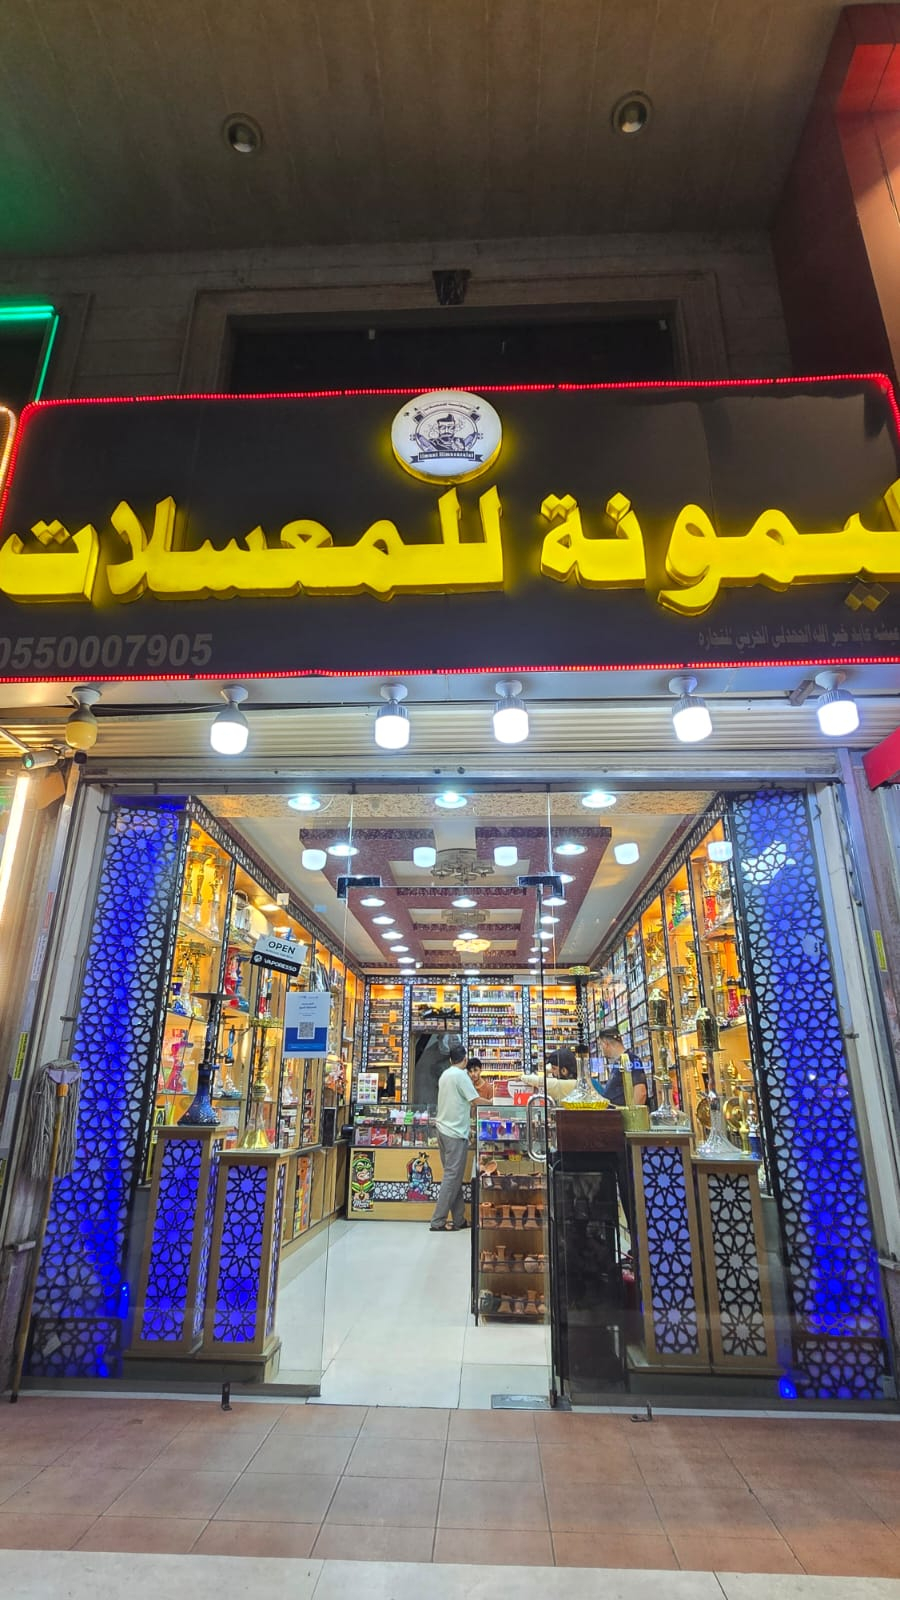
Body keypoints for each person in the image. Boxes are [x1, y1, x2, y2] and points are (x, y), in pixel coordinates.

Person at [429, 1042, 489, 1232]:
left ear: (450, 1060)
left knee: (453, 1176)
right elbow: (475, 1100)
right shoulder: (461, 1076)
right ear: (465, 1059)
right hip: (455, 1133)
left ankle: (459, 1219)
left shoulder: (445, 1074)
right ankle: (437, 1221)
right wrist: (495, 1102)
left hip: (442, 1130)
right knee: (451, 1177)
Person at [595, 1028, 648, 1107]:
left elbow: (641, 1092)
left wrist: (632, 1113)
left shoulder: (630, 1059)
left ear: (605, 1044)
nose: (600, 1049)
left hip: (623, 1114)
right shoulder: (618, 1063)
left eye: (600, 1045)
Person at [511, 1046, 579, 1104]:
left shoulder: (563, 1084)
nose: (552, 1071)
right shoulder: (576, 1080)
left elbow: (539, 1081)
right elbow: (548, 1069)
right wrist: (550, 1068)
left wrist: (521, 1076)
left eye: (554, 1068)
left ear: (564, 1070)